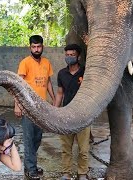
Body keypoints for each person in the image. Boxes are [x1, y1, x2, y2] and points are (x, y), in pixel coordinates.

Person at [14, 35, 55, 180]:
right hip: (28, 107)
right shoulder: (25, 63)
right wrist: (17, 105)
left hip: (42, 108)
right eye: (33, 47)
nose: (36, 49)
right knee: (29, 139)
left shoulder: (46, 62)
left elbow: (48, 82)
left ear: (42, 47)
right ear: (30, 47)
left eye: (38, 47)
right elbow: (17, 85)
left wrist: (54, 99)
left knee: (37, 138)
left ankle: (29, 166)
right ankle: (31, 170)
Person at [54, 44, 90, 180]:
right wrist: (55, 111)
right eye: (67, 55)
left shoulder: (86, 72)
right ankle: (66, 173)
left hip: (83, 116)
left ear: (78, 56)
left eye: (72, 55)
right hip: (66, 116)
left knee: (84, 149)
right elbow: (59, 93)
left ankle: (82, 173)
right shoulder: (62, 73)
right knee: (66, 147)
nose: (69, 57)